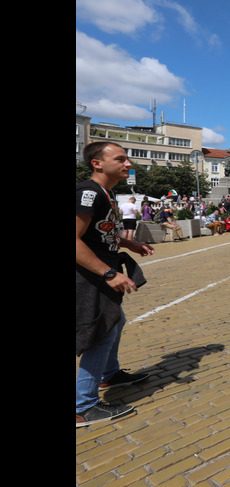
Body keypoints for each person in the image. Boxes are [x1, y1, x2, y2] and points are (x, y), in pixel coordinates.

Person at [76, 142, 154, 427]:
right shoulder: (88, 192)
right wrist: (109, 273)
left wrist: (128, 242)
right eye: (120, 159)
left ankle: (110, 375)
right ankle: (83, 406)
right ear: (97, 163)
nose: (128, 164)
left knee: (115, 321)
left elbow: (99, 231)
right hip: (89, 275)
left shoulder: (105, 193)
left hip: (99, 270)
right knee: (101, 331)